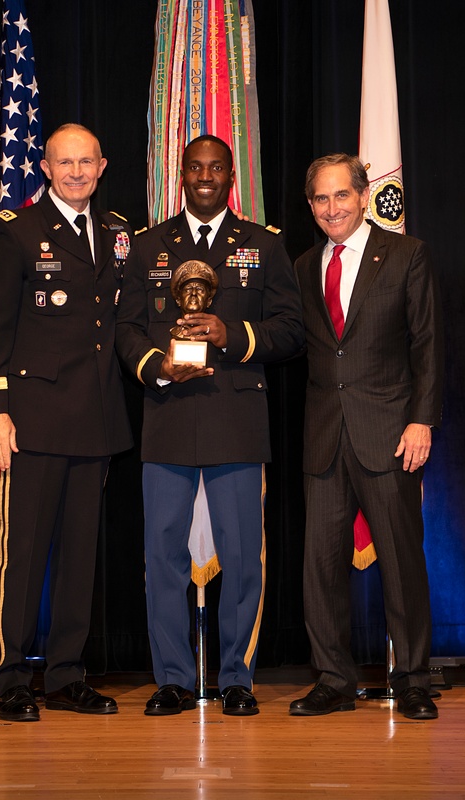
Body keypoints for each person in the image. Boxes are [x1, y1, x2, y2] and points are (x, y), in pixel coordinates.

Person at [116, 135, 304, 717]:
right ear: (181, 173)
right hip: (168, 416)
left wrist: (235, 337)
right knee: (162, 556)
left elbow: (292, 331)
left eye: (215, 168)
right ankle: (172, 677)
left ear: (230, 176)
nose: (205, 176)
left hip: (236, 421)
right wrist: (156, 367)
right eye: (195, 167)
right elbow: (126, 330)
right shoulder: (149, 247)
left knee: (244, 558)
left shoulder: (264, 245)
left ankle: (237, 678)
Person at [0, 123, 133, 722]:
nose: (76, 172)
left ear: (102, 165)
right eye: (64, 162)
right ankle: (8, 677)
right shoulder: (14, 232)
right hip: (31, 424)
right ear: (44, 167)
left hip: (95, 421)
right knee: (24, 555)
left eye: (86, 162)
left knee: (77, 561)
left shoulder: (118, 234)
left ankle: (65, 675)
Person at [289, 153, 444, 720]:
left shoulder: (405, 254)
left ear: (362, 196)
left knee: (402, 563)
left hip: (390, 434)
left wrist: (422, 420)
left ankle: (413, 680)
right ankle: (333, 680)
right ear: (311, 207)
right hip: (325, 437)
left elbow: (427, 343)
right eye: (321, 200)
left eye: (342, 196)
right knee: (320, 566)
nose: (333, 208)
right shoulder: (305, 265)